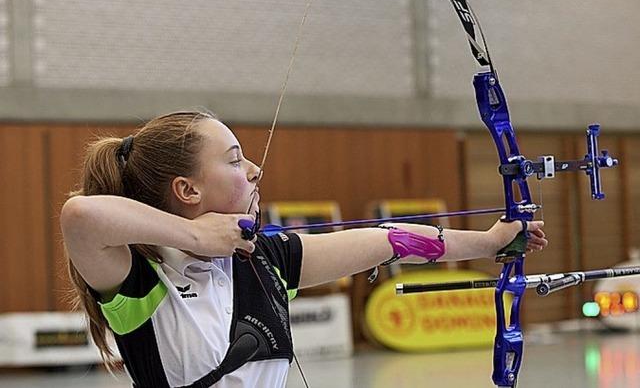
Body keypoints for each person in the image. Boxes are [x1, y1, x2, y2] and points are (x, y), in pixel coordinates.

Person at [60, 110, 547, 387]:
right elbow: (80, 216)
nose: (255, 170)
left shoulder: (268, 261)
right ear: (188, 191)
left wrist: (488, 242)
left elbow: (389, 239)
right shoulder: (141, 281)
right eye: (234, 161)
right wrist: (196, 237)